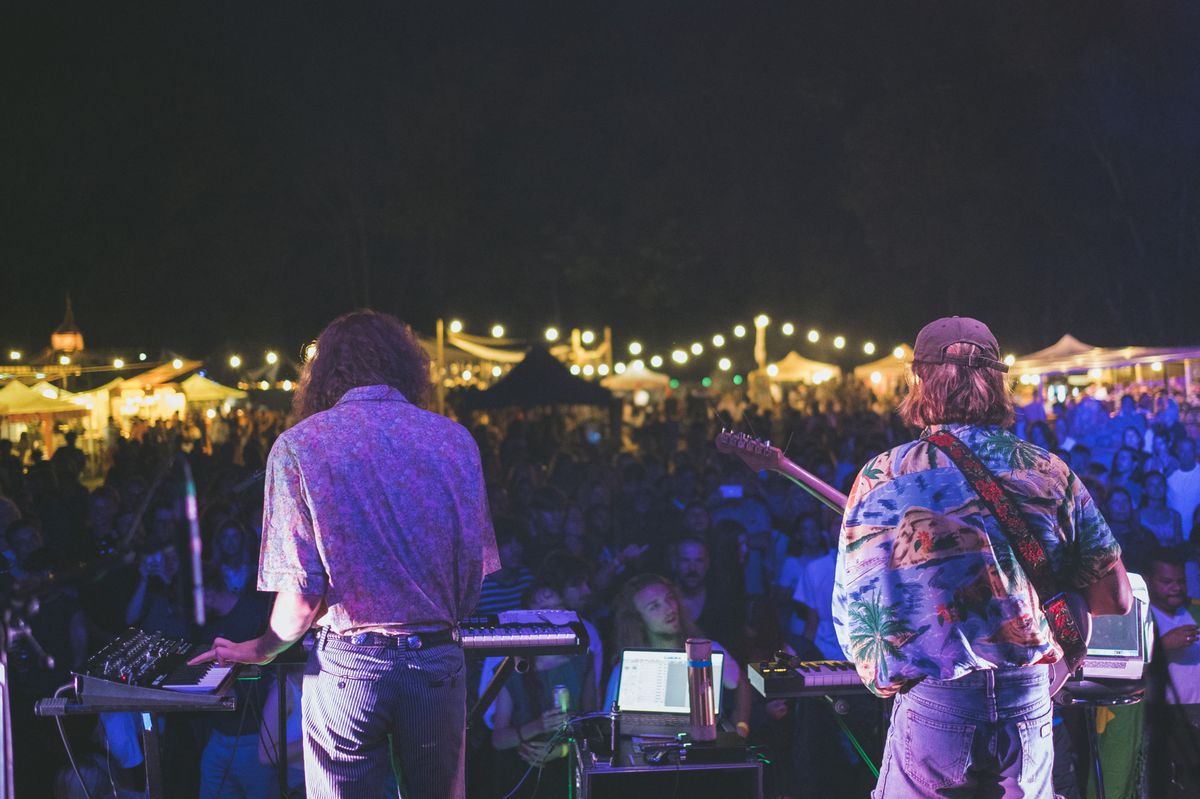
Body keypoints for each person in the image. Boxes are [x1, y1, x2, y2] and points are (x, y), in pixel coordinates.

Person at [189, 310, 499, 799]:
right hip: (436, 659)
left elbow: (300, 602)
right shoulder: (454, 441)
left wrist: (258, 650)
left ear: (325, 373)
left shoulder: (299, 447)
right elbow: (472, 579)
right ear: (406, 366)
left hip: (351, 669)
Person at [833, 316, 1131, 798]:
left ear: (919, 378)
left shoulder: (882, 475)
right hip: (1029, 701)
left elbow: (857, 615)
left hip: (936, 707)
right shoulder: (1047, 471)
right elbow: (1116, 597)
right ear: (998, 380)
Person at [1144, 549, 1200, 796]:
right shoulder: (1142, 617)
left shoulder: (1195, 611)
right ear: (1148, 581)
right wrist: (1164, 645)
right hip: (1163, 715)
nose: (1176, 588)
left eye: (1181, 581)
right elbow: (1125, 665)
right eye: (1167, 582)